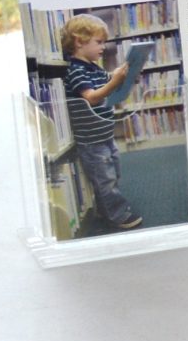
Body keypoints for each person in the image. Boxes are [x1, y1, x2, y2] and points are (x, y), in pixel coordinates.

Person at [59, 15, 143, 232]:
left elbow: (110, 83)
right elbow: (91, 97)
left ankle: (106, 208)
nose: (103, 48)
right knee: (104, 178)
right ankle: (116, 214)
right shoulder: (76, 70)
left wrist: (125, 75)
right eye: (99, 42)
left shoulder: (94, 68)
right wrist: (114, 81)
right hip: (91, 139)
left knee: (113, 172)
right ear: (79, 42)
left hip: (104, 134)